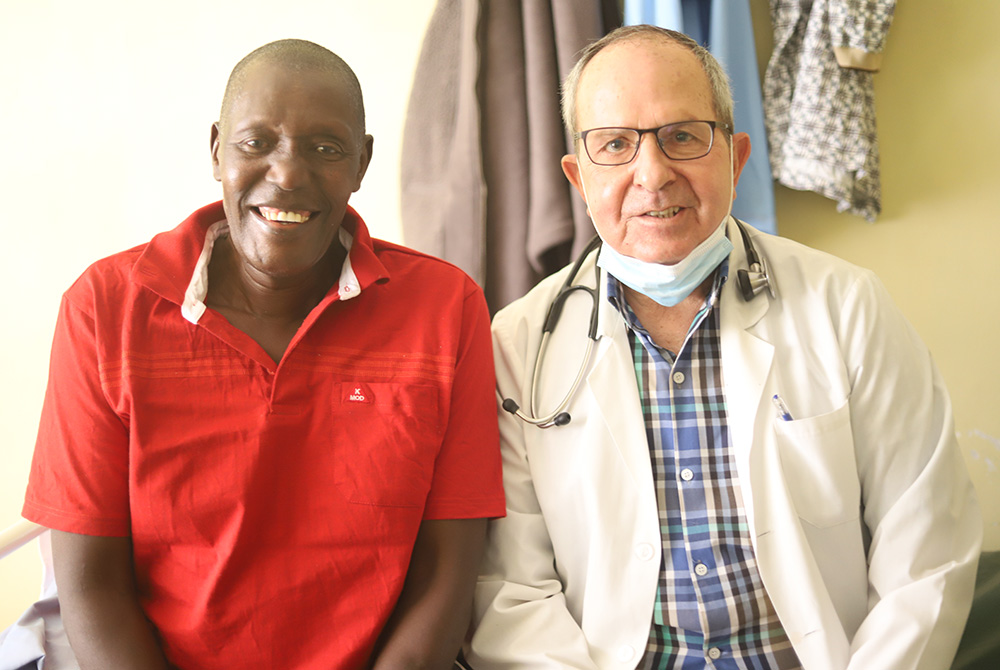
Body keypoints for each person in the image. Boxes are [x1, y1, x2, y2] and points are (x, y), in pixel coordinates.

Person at [467, 25, 982, 669]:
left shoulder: (847, 306)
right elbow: (510, 591)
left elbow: (927, 551)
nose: (652, 174)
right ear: (578, 176)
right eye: (615, 145)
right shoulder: (517, 346)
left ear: (735, 158)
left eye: (683, 136)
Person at [21, 39, 505, 669]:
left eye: (326, 149)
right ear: (217, 148)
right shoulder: (106, 308)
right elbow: (90, 585)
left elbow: (447, 568)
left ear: (363, 163)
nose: (288, 174)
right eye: (257, 143)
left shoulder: (445, 308)